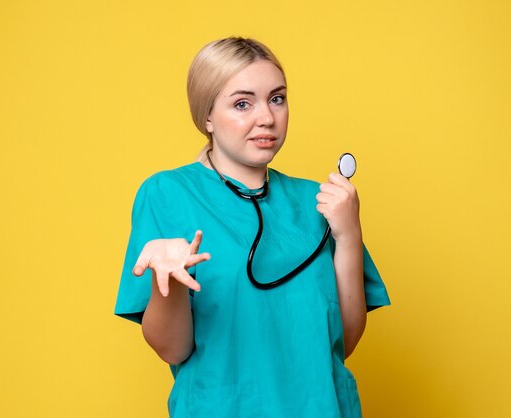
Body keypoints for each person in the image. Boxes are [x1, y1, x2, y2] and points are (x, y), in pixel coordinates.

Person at [114, 37, 390, 418]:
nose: (267, 117)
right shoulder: (168, 194)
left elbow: (344, 339)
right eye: (243, 103)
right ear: (206, 116)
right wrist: (170, 284)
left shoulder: (319, 202)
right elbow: (172, 349)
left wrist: (349, 236)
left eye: (277, 98)